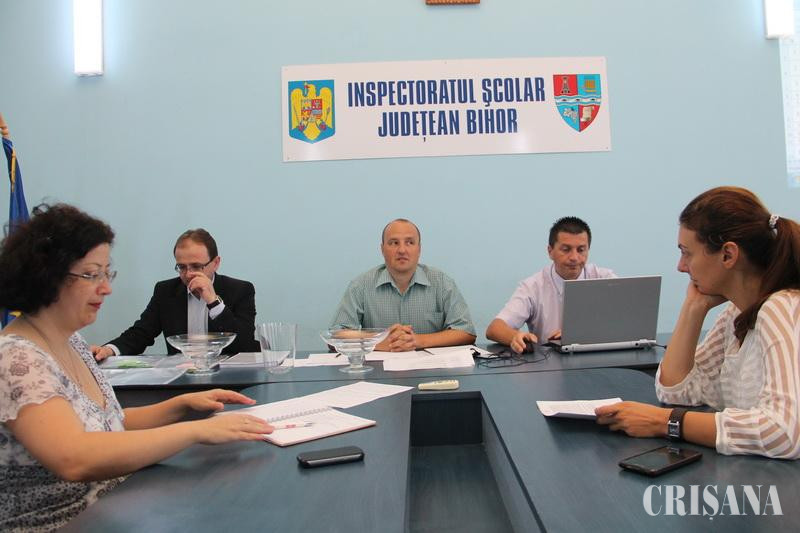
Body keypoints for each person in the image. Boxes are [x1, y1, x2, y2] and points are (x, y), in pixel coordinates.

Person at [0, 204, 272, 530]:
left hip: (114, 499)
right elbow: (75, 457)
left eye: (107, 273)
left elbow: (109, 423)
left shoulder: (71, 341)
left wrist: (182, 406)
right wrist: (196, 431)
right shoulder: (17, 358)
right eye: (92, 274)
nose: (106, 288)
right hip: (65, 521)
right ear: (47, 277)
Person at [595, 186, 800, 459]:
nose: (681, 266)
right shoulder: (735, 314)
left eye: (687, 253)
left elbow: (784, 432)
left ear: (728, 255)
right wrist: (694, 307)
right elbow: (676, 391)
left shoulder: (781, 308)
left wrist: (663, 422)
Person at [91, 228, 259, 360]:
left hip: (228, 378)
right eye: (182, 267)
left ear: (215, 263)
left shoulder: (240, 290)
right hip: (182, 377)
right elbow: (141, 333)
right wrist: (109, 350)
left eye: (196, 266)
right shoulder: (165, 291)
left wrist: (213, 302)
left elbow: (244, 344)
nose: (188, 274)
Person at [330, 218, 476, 352]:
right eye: (394, 243)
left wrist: (417, 340)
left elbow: (466, 332)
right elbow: (335, 335)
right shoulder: (361, 285)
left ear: (419, 249)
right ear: (382, 249)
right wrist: (379, 341)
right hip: (378, 369)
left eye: (409, 242)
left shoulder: (442, 283)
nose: (402, 250)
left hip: (430, 368)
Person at [485, 216, 615, 353]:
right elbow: (494, 329)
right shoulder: (533, 287)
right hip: (550, 362)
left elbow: (627, 321)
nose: (574, 257)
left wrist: (580, 335)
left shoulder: (606, 280)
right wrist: (515, 337)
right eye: (566, 249)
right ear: (550, 251)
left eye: (581, 250)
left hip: (602, 358)